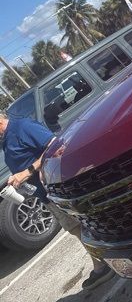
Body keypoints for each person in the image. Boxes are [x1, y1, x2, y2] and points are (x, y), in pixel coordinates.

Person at [0, 111, 114, 290]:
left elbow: (55, 146)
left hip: (59, 188)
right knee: (76, 228)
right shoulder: (6, 140)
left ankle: (104, 264)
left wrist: (27, 171)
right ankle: (103, 262)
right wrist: (17, 178)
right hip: (46, 195)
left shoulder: (22, 127)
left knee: (82, 225)